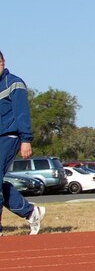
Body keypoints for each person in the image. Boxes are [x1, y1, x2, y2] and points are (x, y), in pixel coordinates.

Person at [0, 51, 45, 235]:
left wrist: (25, 139)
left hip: (9, 137)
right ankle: (30, 211)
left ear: (3, 61)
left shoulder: (14, 83)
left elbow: (22, 113)